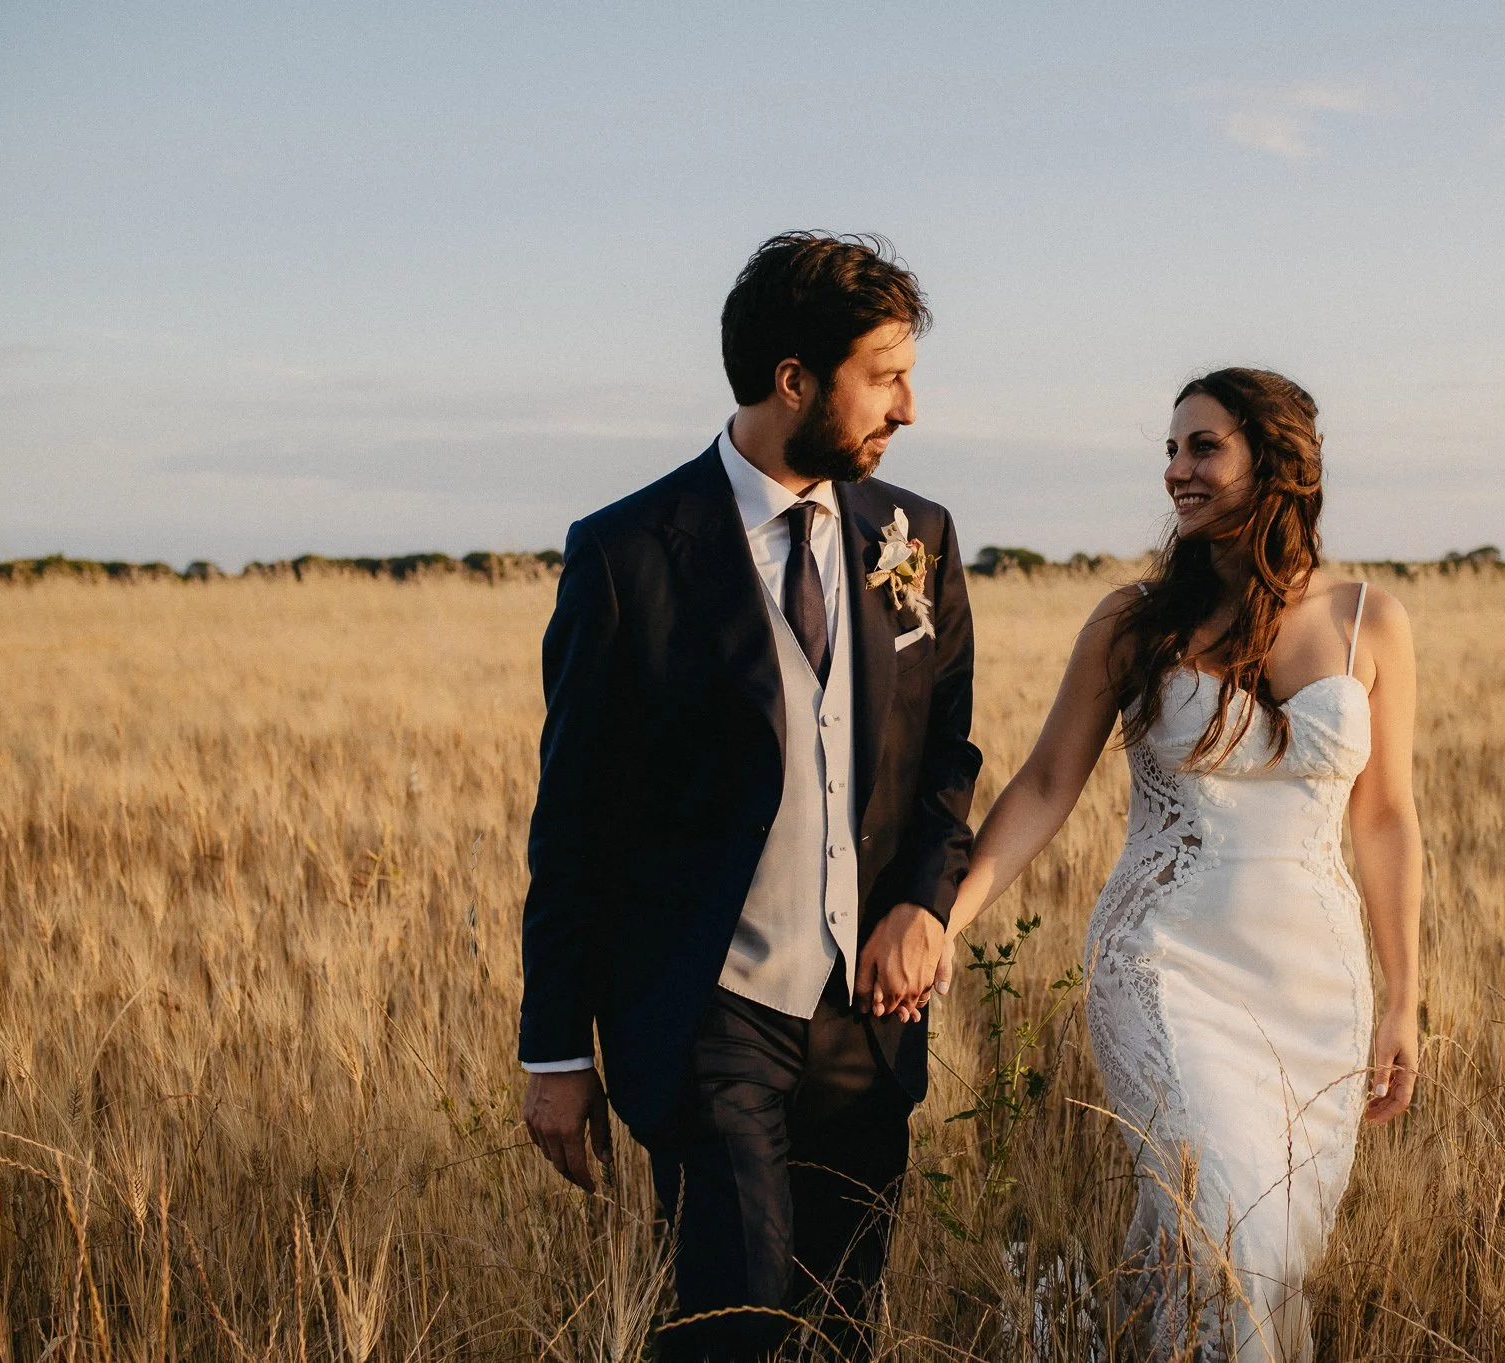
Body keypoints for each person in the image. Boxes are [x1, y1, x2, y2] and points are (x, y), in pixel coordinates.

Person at [516, 232, 980, 1362]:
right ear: (792, 380)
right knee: (737, 1319)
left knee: (838, 1326)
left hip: (868, 1026)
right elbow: (576, 814)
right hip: (710, 1005)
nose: (907, 407)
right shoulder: (628, 553)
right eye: (883, 375)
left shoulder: (913, 537)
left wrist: (923, 901)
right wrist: (553, 1049)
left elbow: (946, 758)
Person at [923, 368, 1423, 1359]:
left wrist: (1403, 995)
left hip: (1316, 992)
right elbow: (1043, 784)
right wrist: (949, 915)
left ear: (1274, 463)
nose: (1175, 471)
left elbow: (1387, 818)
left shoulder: (1371, 621)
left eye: (1201, 448)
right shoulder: (1131, 620)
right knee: (1223, 1227)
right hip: (1164, 965)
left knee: (1264, 1257)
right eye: (1169, 449)